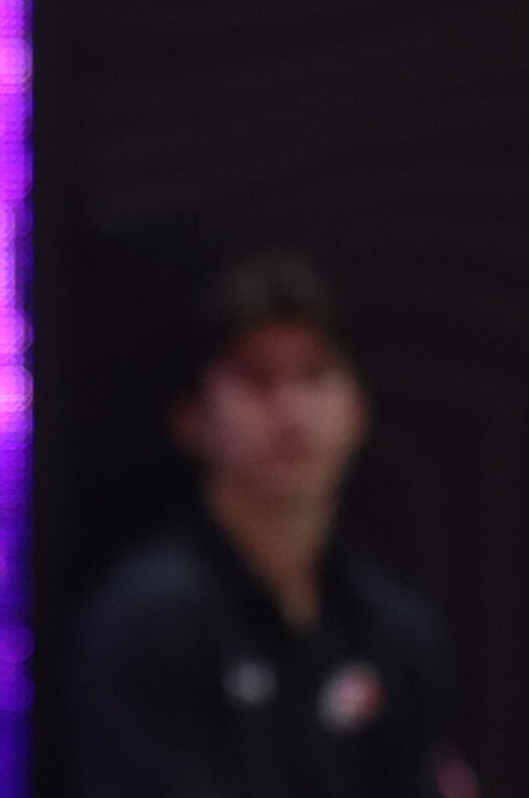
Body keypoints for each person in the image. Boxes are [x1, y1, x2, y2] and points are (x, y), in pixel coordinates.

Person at [75, 253, 472, 798]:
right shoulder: (146, 623)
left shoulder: (397, 628)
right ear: (192, 419)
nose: (290, 409)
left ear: (358, 411)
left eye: (315, 375)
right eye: (254, 379)